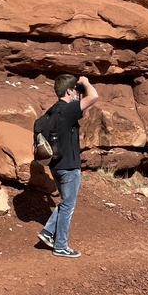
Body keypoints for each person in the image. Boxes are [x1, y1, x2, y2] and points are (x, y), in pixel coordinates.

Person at [37, 74, 99, 258]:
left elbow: (83, 111)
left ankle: (48, 232)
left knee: (65, 203)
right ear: (69, 91)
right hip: (69, 166)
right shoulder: (67, 109)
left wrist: (79, 95)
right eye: (74, 91)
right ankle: (60, 245)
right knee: (68, 205)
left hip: (54, 165)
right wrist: (85, 82)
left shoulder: (52, 111)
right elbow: (94, 96)